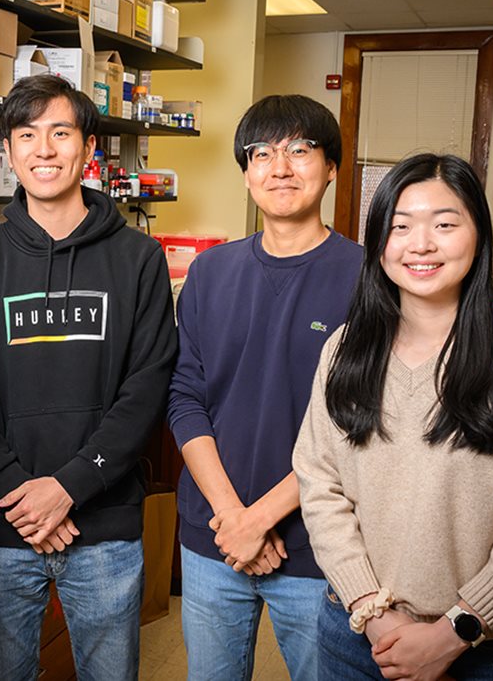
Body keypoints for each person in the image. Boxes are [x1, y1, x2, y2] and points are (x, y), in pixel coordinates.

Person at [293, 153, 493, 681]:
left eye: (444, 224)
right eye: (400, 227)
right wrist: (373, 614)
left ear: (478, 233)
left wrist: (455, 630)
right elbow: (319, 484)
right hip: (355, 632)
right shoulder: (345, 349)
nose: (420, 245)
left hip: (486, 647)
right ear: (379, 241)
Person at [0, 74, 177, 681]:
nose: (43, 149)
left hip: (103, 529)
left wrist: (70, 487)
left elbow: (147, 387)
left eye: (60, 132)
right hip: (5, 525)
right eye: (26, 134)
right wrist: (26, 498)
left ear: (88, 149)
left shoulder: (139, 258)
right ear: (8, 152)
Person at [166, 94, 363, 680]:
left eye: (300, 150)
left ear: (330, 167)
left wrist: (264, 519)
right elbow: (185, 397)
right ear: (247, 170)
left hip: (318, 546)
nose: (280, 167)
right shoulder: (211, 272)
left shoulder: (369, 276)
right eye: (263, 153)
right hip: (213, 541)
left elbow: (364, 422)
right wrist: (234, 518)